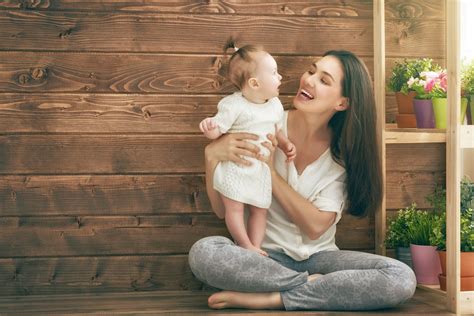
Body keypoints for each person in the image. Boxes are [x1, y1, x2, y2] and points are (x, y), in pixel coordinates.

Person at [189, 50, 417, 311]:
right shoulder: (261, 122)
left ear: (342, 103)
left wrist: (270, 173)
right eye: (311, 71)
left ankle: (275, 297)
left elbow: (314, 226)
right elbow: (222, 209)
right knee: (204, 252)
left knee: (400, 277)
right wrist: (211, 157)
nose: (308, 80)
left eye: (324, 80)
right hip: (262, 259)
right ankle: (307, 286)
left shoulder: (341, 155)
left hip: (320, 259)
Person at [199, 43, 296, 256]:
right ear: (254, 83)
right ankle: (244, 244)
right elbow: (218, 129)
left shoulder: (274, 105)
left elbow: (276, 129)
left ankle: (255, 246)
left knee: (260, 210)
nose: (280, 77)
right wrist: (209, 129)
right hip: (235, 168)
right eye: (274, 73)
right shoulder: (234, 105)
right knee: (234, 209)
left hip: (258, 171)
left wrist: (286, 144)